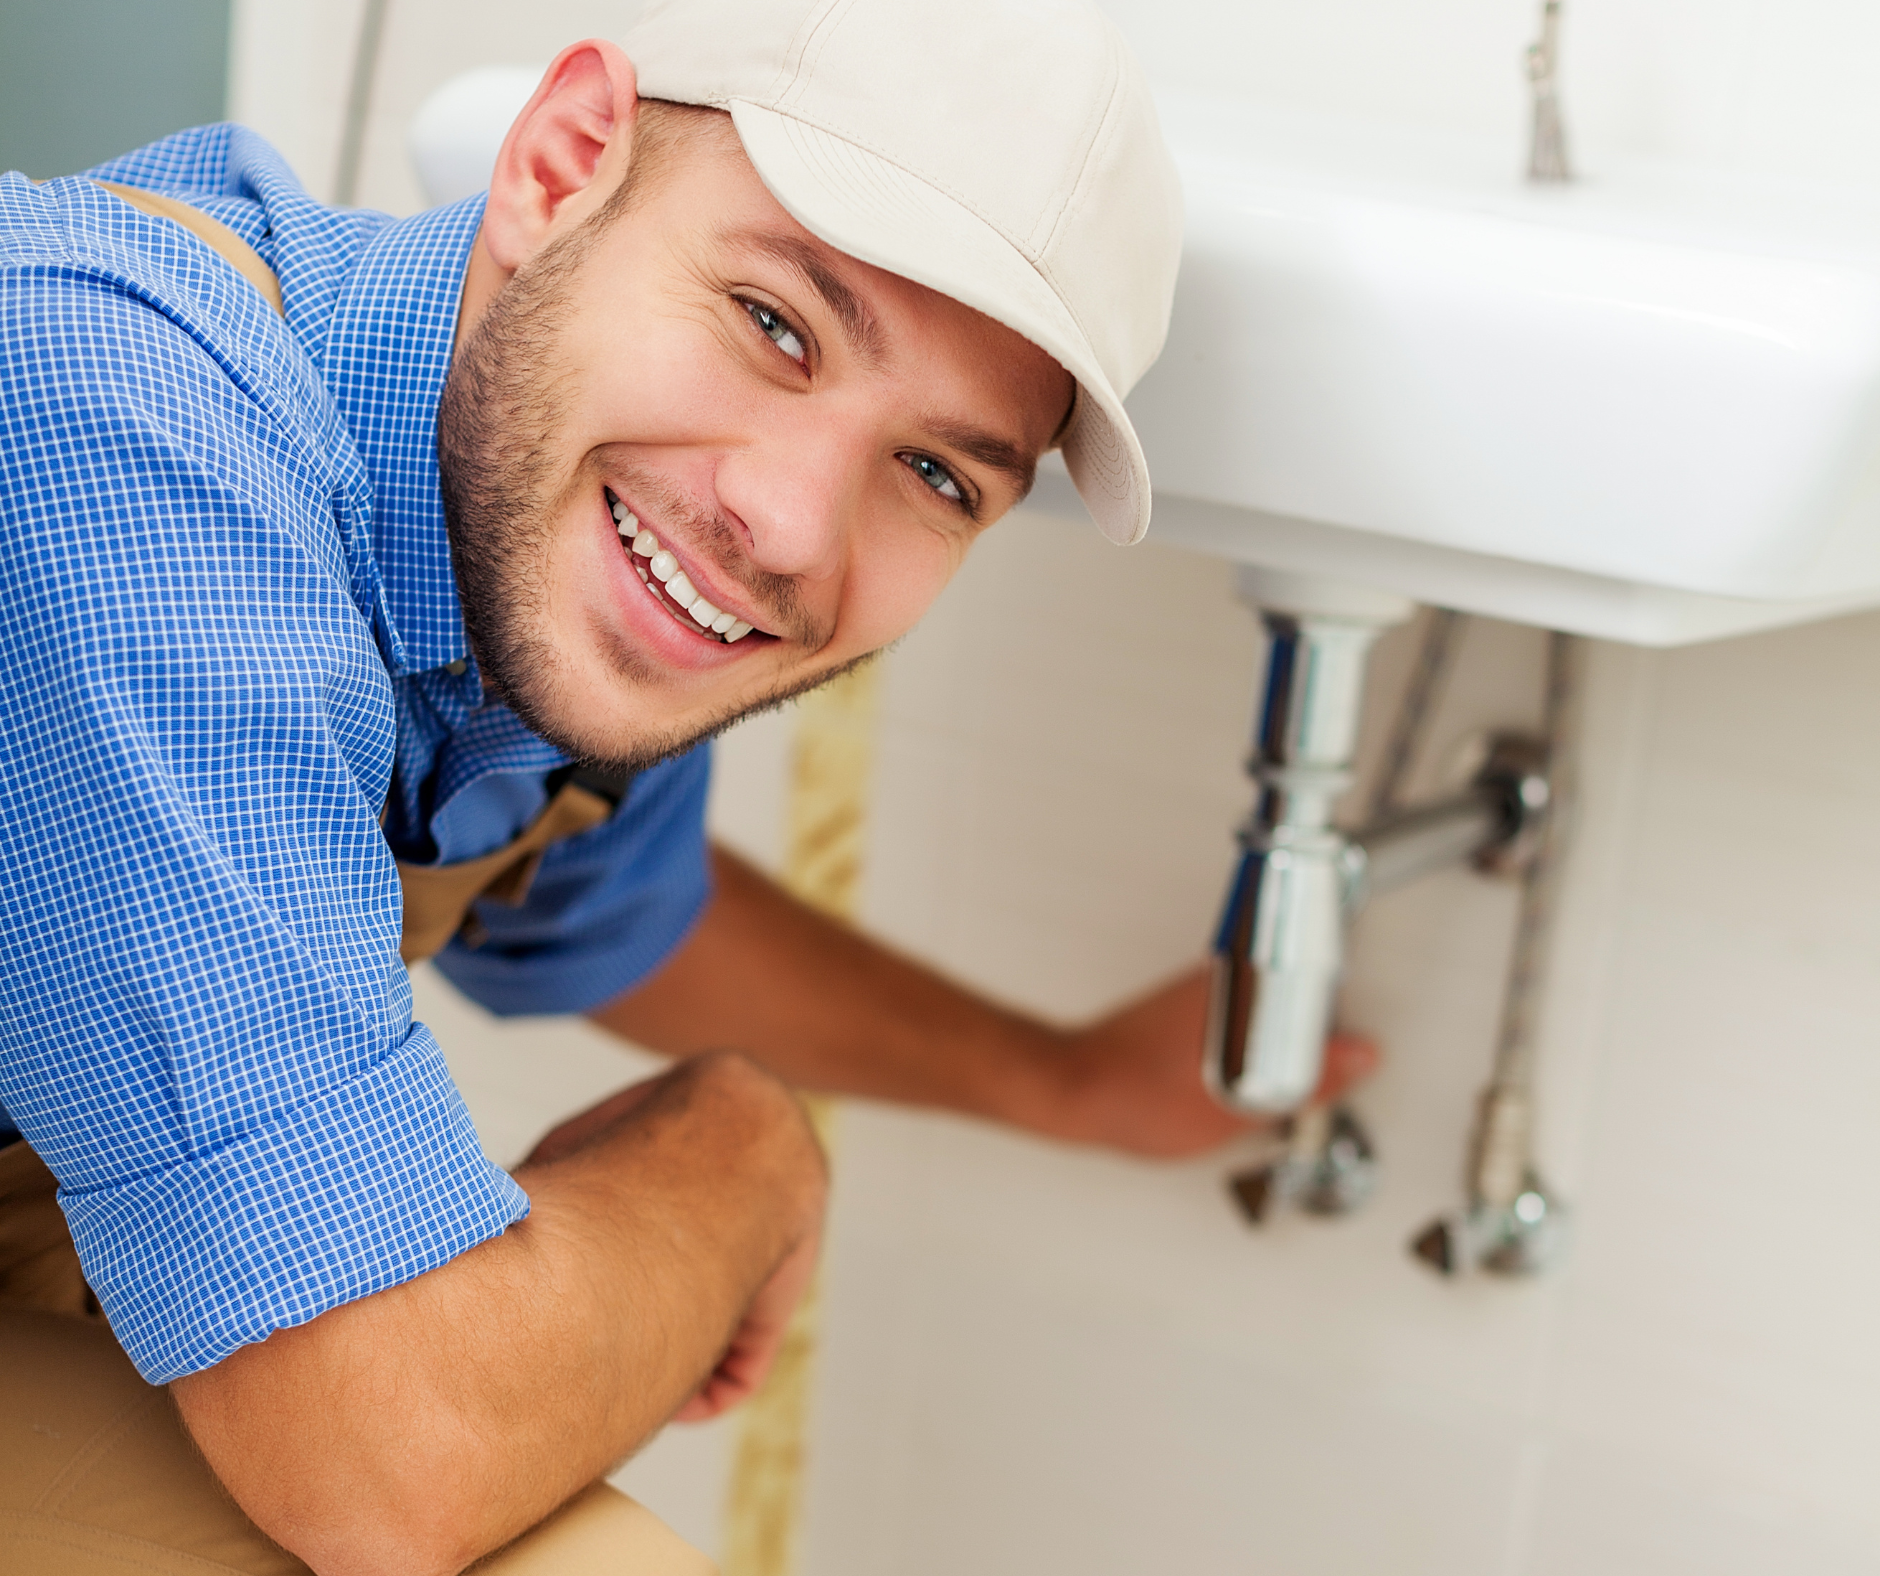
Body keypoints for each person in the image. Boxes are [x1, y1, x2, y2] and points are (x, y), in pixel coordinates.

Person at [0, 0, 1372, 1571]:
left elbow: (625, 920)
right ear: (564, 162)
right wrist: (746, 1152)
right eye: (776, 323)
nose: (789, 523)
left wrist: (1059, 1084)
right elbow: (390, 1459)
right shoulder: (110, 436)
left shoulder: (544, 553)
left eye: (936, 475)